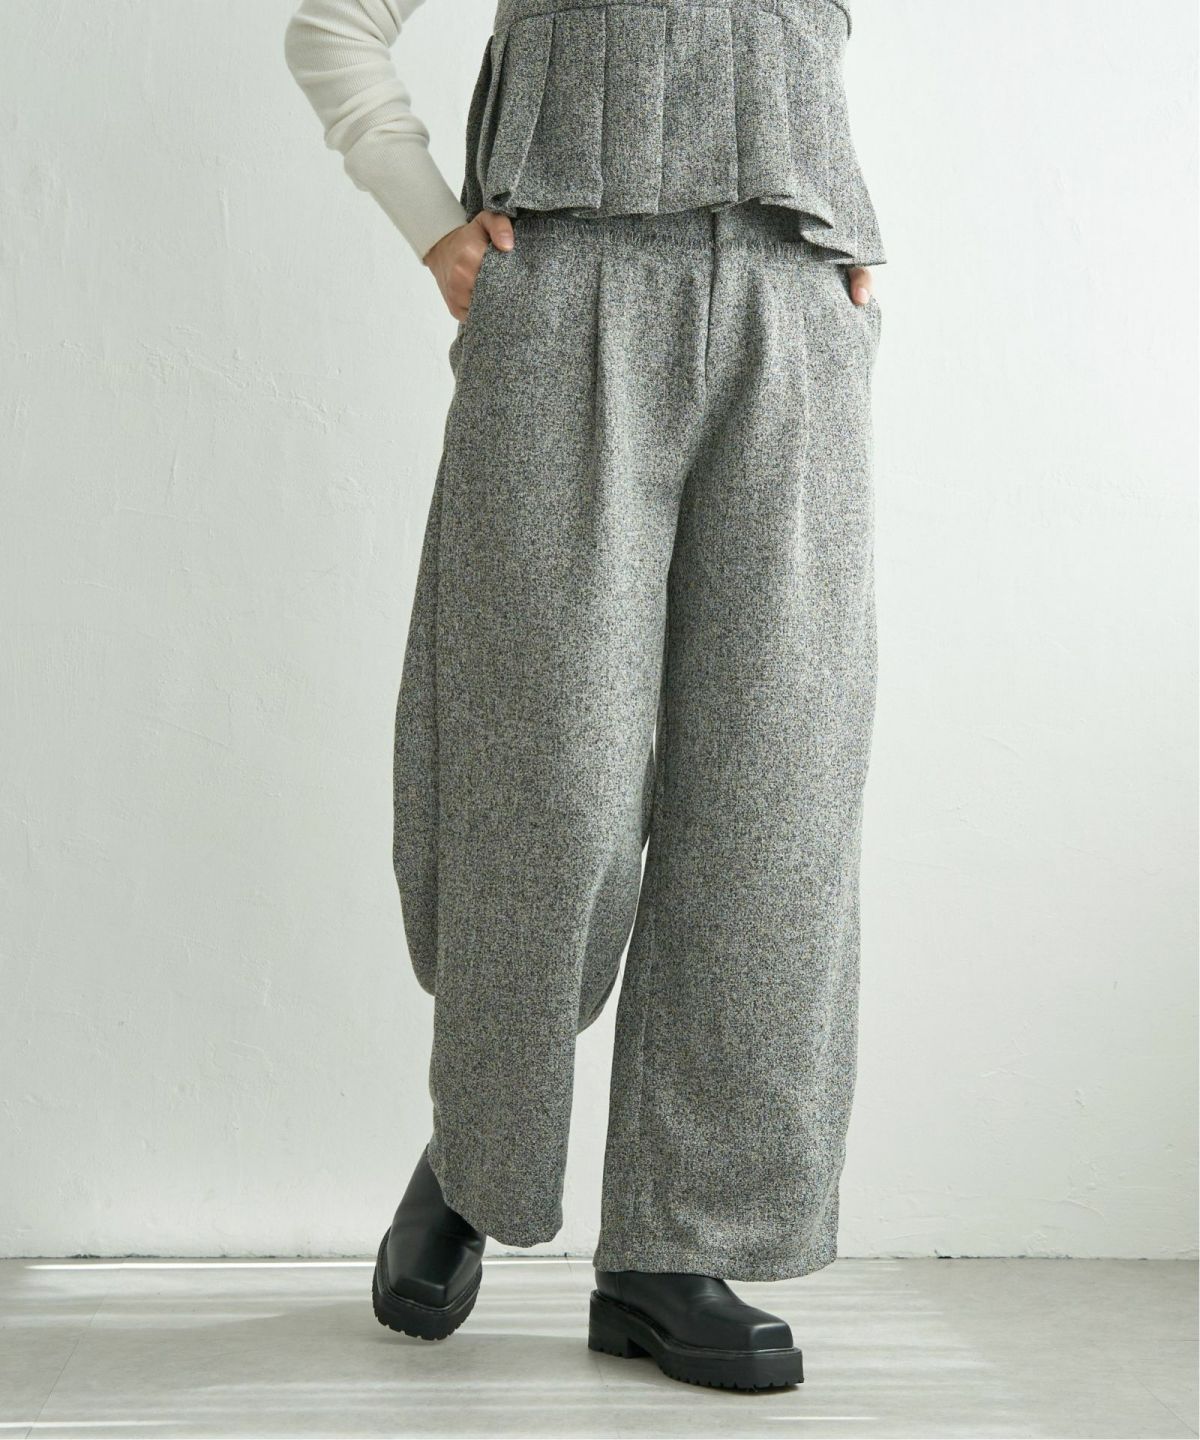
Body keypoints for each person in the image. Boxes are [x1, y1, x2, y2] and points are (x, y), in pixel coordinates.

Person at [285, 0, 884, 1392]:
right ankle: (477, 1155)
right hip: (562, 302)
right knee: (546, 783)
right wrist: (433, 224)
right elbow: (335, 24)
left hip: (795, 312)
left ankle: (677, 1249)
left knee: (775, 797)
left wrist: (851, 261)